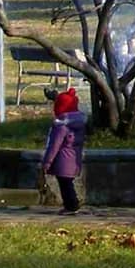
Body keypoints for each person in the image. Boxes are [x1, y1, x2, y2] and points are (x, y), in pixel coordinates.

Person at [39, 87, 87, 215]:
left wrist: (47, 162)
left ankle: (71, 206)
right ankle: (72, 205)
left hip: (62, 160)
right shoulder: (79, 125)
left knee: (65, 184)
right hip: (74, 160)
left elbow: (54, 146)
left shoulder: (61, 126)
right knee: (67, 183)